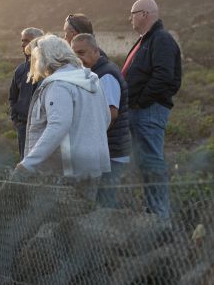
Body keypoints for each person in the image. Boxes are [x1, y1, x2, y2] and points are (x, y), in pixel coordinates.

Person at [14, 35, 111, 198]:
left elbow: (58, 126)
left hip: (66, 169)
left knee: (60, 219)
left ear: (46, 59)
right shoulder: (91, 80)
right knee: (83, 216)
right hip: (94, 165)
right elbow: (106, 118)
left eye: (36, 59)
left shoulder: (58, 85)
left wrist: (28, 164)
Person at [122, 0, 182, 220]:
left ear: (145, 14)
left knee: (152, 161)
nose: (130, 18)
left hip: (149, 110)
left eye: (133, 13)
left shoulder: (161, 39)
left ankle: (160, 216)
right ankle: (152, 214)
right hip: (140, 110)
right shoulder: (147, 40)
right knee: (146, 161)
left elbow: (164, 76)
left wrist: (141, 101)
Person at [71, 33, 131, 207]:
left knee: (105, 202)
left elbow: (111, 115)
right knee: (101, 200)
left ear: (96, 50)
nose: (79, 58)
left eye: (82, 52)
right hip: (107, 150)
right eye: (74, 54)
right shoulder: (96, 72)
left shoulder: (106, 76)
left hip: (111, 152)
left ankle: (107, 234)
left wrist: (90, 139)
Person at [9, 27, 44, 159]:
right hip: (23, 127)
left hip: (43, 128)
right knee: (25, 163)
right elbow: (12, 97)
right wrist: (16, 120)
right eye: (22, 41)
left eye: (26, 41)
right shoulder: (20, 70)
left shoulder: (48, 69)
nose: (22, 44)